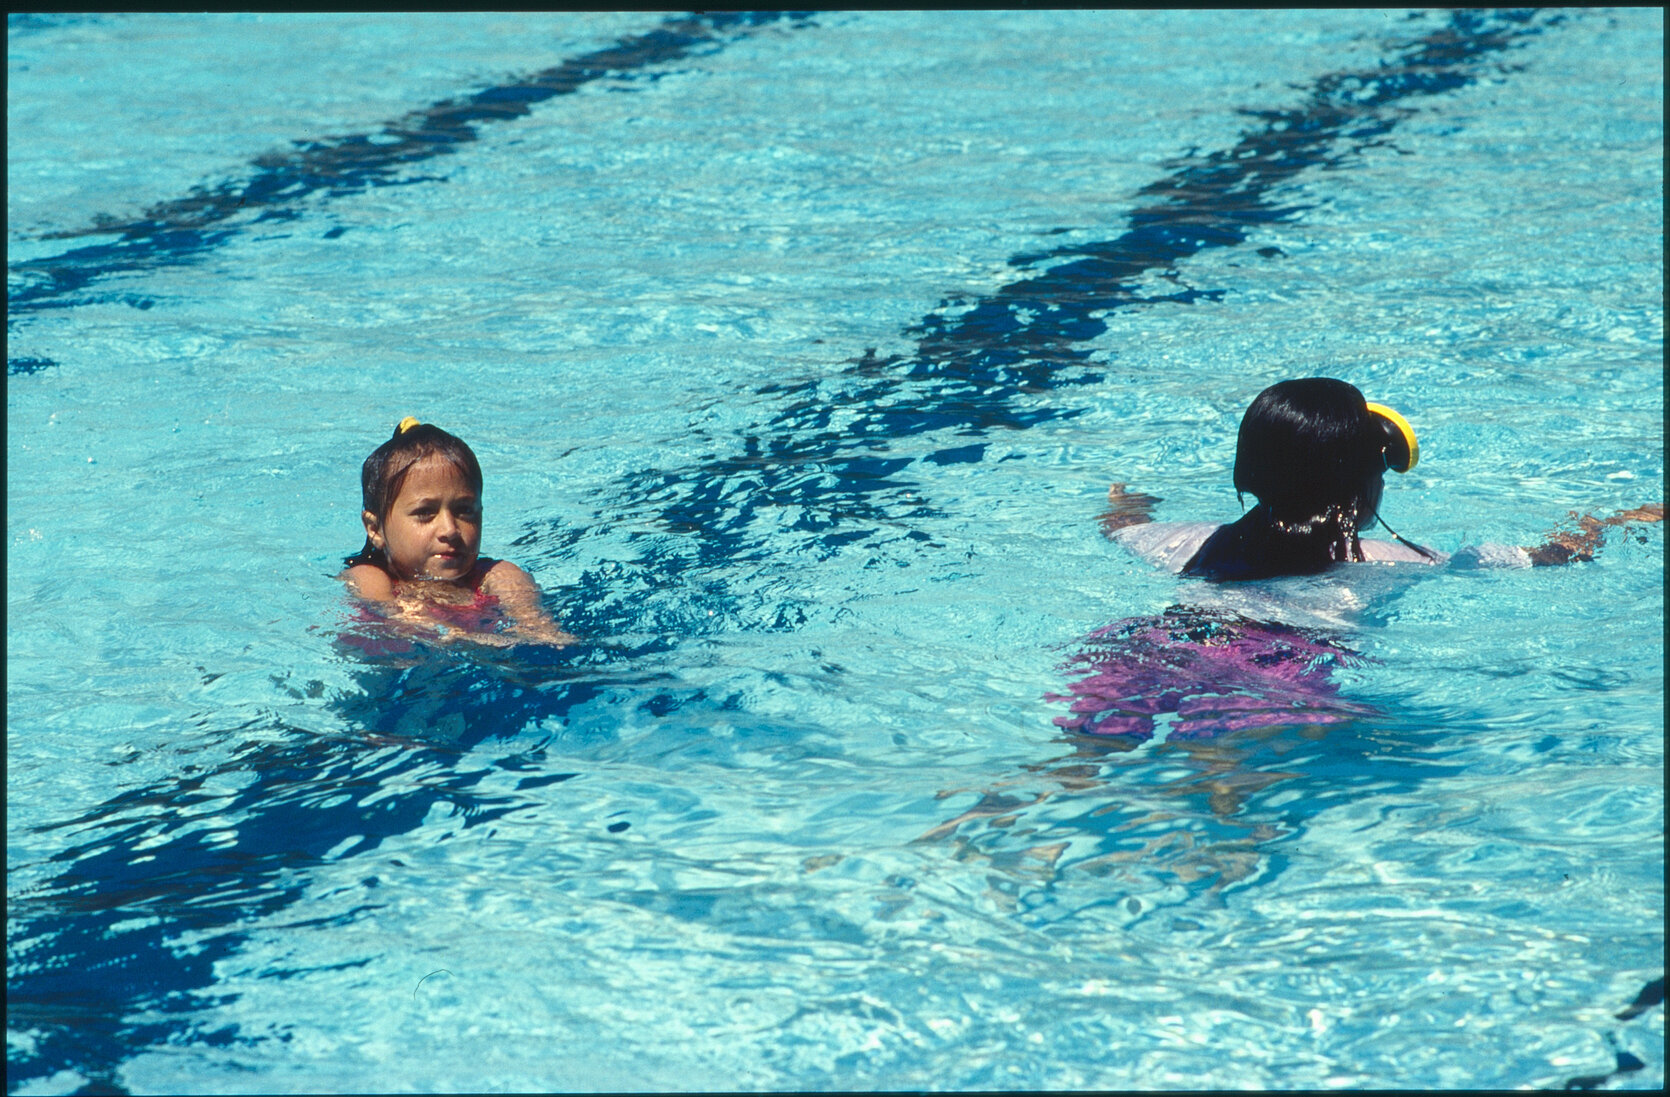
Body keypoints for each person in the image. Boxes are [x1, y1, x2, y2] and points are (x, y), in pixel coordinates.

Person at [1100, 377, 1662, 578]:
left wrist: (1126, 505)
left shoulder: (1176, 542)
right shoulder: (1402, 564)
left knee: (1076, 762)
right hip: (1281, 664)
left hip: (1156, 644)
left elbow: (1119, 528)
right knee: (1238, 780)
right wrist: (1610, 523)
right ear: (1366, 484)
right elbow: (1543, 559)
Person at [340, 417, 573, 647]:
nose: (450, 530)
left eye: (463, 510)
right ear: (375, 529)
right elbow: (399, 624)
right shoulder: (371, 578)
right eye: (425, 513)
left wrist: (537, 629)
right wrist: (471, 638)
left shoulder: (495, 576)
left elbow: (538, 627)